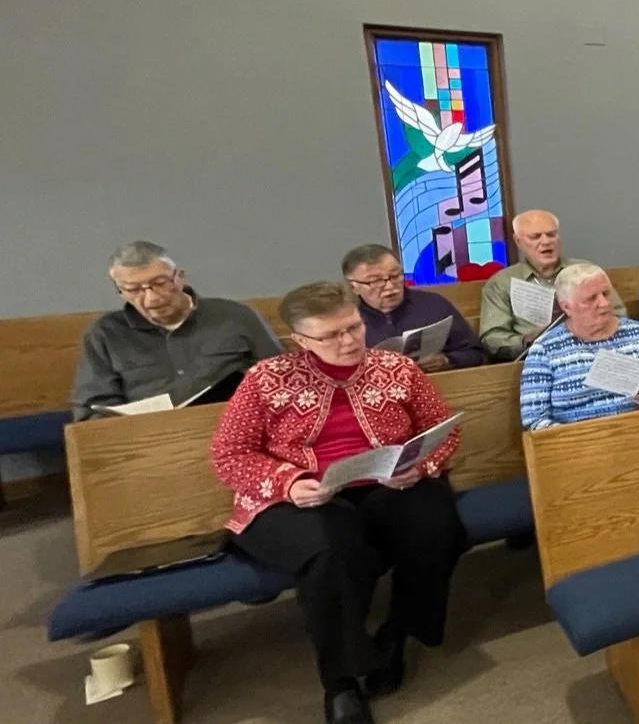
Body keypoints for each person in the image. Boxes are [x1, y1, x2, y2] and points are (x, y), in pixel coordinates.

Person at [209, 281, 466, 724]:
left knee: (438, 528)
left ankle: (398, 631)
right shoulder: (267, 378)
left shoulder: (397, 367)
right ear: (301, 340)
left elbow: (443, 428)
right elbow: (229, 453)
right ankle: (342, 682)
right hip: (305, 493)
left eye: (353, 327)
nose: (348, 342)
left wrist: (420, 466)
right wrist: (285, 481)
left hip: (387, 481)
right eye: (331, 336)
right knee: (332, 551)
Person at [71, 241, 282, 420]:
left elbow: (283, 378)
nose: (152, 298)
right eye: (134, 290)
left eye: (160, 283)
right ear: (120, 293)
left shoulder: (235, 316)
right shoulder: (105, 334)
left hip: (237, 427)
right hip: (147, 443)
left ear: (179, 277)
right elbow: (92, 408)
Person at [519, 264, 639, 430]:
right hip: (578, 444)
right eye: (591, 298)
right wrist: (585, 438)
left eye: (606, 294)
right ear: (567, 307)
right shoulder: (545, 349)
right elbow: (535, 420)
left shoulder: (637, 332)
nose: (603, 303)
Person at [480, 210, 625, 361]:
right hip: (535, 358)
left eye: (551, 235)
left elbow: (619, 315)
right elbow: (492, 338)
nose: (546, 241)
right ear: (518, 241)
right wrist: (526, 341)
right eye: (535, 237)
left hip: (594, 351)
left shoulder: (587, 271)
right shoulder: (502, 283)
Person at [342, 244, 486, 372]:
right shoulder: (344, 320)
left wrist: (447, 360)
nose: (390, 286)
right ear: (353, 287)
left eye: (395, 275)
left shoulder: (434, 305)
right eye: (375, 281)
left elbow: (476, 353)